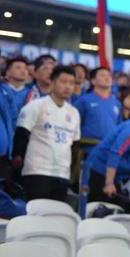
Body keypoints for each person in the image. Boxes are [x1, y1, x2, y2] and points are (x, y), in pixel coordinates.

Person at [11, 66, 80, 201]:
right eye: (63, 82)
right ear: (53, 83)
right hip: (37, 171)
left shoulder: (74, 113)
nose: (68, 87)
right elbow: (21, 134)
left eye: (71, 83)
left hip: (62, 174)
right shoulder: (36, 106)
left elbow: (74, 145)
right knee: (35, 212)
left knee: (55, 213)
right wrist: (18, 157)